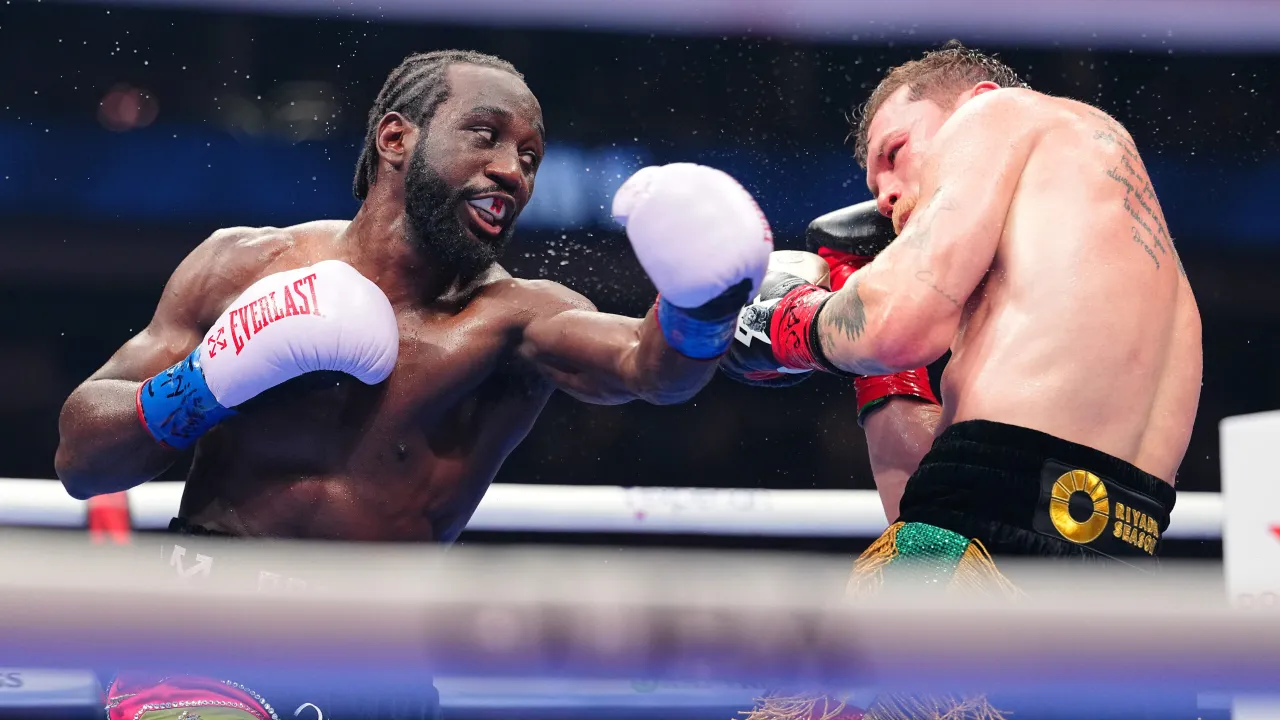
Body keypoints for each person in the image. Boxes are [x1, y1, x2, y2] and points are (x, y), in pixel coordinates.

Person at [54, 49, 772, 720]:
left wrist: (700, 300)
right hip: (201, 631)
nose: (512, 171)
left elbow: (652, 371)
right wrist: (208, 380)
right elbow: (82, 459)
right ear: (397, 139)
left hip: (378, 663)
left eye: (529, 157)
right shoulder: (242, 266)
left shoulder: (515, 320)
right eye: (485, 136)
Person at [723, 41, 1202, 719]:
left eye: (894, 153)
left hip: (964, 581)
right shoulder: (1135, 282)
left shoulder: (1000, 115)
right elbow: (923, 500)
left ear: (971, 102)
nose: (885, 194)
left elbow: (890, 327)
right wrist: (867, 319)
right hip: (1120, 609)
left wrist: (784, 327)